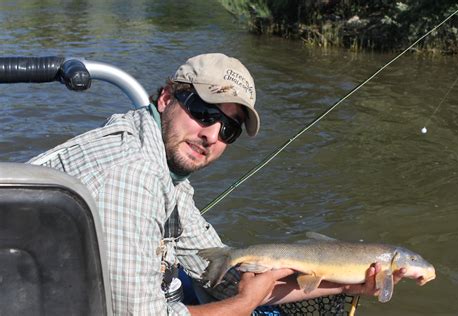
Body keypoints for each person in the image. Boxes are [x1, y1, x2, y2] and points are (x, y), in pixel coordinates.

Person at [28, 53, 406, 315]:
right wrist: (243, 307)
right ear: (165, 97)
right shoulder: (133, 174)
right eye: (203, 111)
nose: (211, 134)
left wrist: (345, 283)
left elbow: (226, 277)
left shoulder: (168, 177)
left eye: (228, 128)